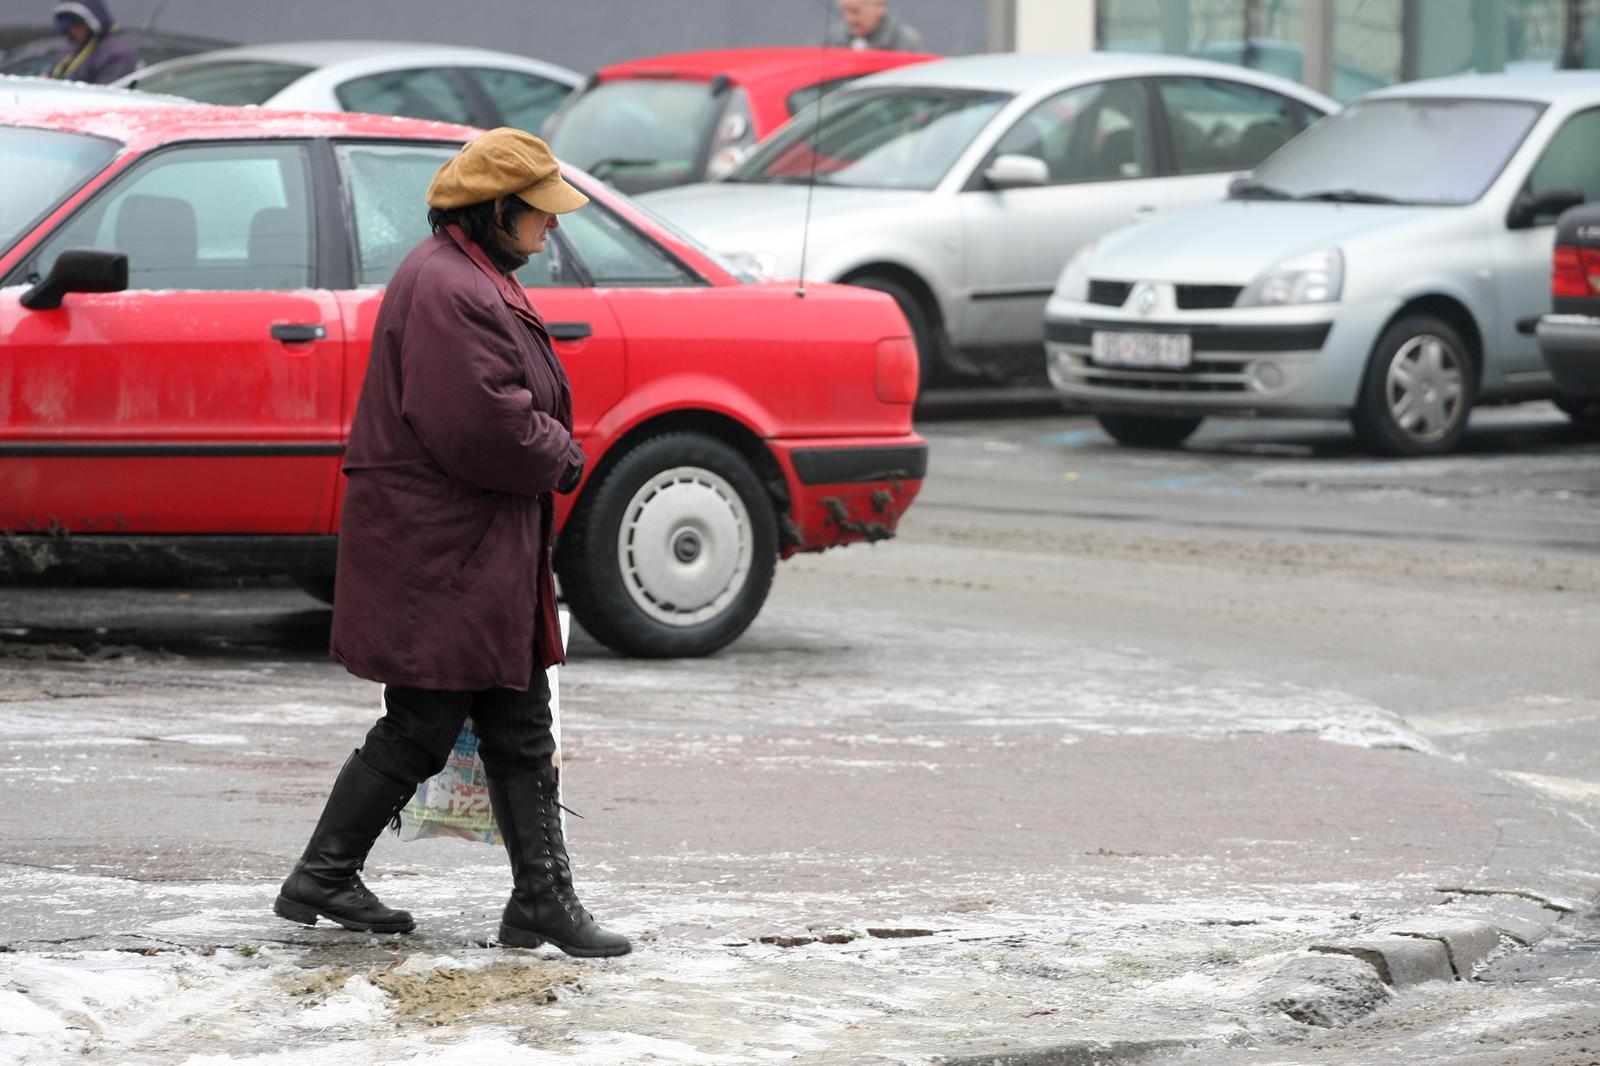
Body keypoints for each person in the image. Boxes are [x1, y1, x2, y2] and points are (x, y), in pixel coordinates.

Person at [273, 128, 631, 959]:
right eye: (540, 213)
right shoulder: (451, 287)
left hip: (470, 548)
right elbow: (483, 424)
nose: (552, 229)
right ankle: (323, 875)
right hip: (447, 551)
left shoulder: (471, 276)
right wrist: (562, 454)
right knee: (425, 721)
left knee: (517, 721)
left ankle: (540, 901)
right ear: (495, 210)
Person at [46, 1, 138, 84]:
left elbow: (106, 94)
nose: (73, 31)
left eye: (78, 25)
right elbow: (51, 75)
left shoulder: (116, 52)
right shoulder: (74, 48)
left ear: (92, 22)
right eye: (69, 27)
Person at [825, 0, 927, 52]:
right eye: (845, 11)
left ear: (879, 6)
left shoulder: (905, 41)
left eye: (855, 11)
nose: (849, 18)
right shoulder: (834, 38)